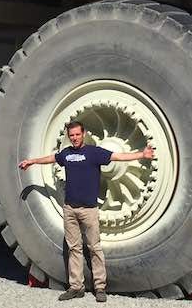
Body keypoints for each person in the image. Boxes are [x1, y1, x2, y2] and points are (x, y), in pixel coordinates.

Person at [18, 120, 155, 303]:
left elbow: (117, 156)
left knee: (94, 248)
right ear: (69, 136)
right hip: (70, 209)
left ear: (83, 134)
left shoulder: (94, 152)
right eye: (71, 135)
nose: (74, 138)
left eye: (77, 134)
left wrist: (142, 154)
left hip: (89, 210)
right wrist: (32, 161)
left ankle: (100, 287)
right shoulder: (66, 154)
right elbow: (52, 158)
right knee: (74, 248)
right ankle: (76, 287)